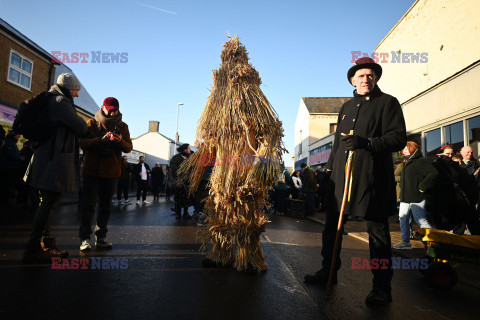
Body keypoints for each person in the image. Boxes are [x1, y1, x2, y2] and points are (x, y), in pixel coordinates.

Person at [304, 57, 407, 306]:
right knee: (332, 230)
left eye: (370, 75)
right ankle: (328, 271)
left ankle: (382, 287)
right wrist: (328, 173)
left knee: (378, 234)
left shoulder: (388, 103)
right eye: (360, 76)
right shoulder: (346, 107)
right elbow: (337, 145)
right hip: (342, 179)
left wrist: (369, 142)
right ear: (352, 80)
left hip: (372, 180)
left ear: (376, 78)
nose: (366, 79)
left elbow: (398, 138)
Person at [22, 73, 87, 263]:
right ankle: (34, 246)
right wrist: (79, 120)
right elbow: (81, 126)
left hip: (47, 156)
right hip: (52, 159)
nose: (76, 94)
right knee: (49, 201)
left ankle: (45, 242)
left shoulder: (52, 99)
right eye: (75, 90)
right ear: (68, 87)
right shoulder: (60, 102)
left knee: (47, 201)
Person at [78, 97, 133, 251]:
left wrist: (120, 141)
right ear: (103, 108)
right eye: (111, 110)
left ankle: (101, 237)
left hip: (112, 172)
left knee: (105, 206)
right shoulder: (91, 123)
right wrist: (100, 140)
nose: (114, 113)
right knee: (88, 205)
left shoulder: (123, 126)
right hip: (92, 171)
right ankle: (84, 238)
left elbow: (128, 148)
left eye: (116, 110)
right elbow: (82, 143)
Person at [392, 141, 437, 250]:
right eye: (404, 149)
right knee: (403, 218)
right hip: (405, 198)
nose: (404, 151)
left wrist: (422, 187)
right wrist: (401, 194)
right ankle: (406, 242)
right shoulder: (406, 161)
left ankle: (435, 242)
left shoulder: (421, 161)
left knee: (420, 220)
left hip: (417, 197)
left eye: (407, 149)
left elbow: (434, 173)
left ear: (413, 149)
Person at [430, 145, 480, 235]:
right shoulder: (435, 166)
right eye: (447, 154)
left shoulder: (456, 166)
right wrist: (450, 185)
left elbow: (464, 181)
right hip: (442, 200)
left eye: (452, 154)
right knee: (444, 226)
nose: (449, 156)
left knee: (461, 223)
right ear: (440, 154)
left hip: (457, 199)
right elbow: (434, 181)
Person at [170, 144, 192, 219]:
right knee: (178, 198)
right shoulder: (176, 158)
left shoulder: (190, 158)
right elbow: (173, 167)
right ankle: (179, 214)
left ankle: (186, 213)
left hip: (188, 181)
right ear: (184, 149)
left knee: (187, 198)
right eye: (188, 148)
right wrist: (181, 171)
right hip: (179, 182)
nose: (190, 150)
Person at [0, 131, 22, 204]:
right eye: (18, 134)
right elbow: (9, 154)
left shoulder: (11, 142)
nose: (19, 136)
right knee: (6, 184)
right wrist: (19, 158)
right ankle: (3, 200)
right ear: (13, 135)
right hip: (8, 168)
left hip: (9, 167)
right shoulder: (9, 142)